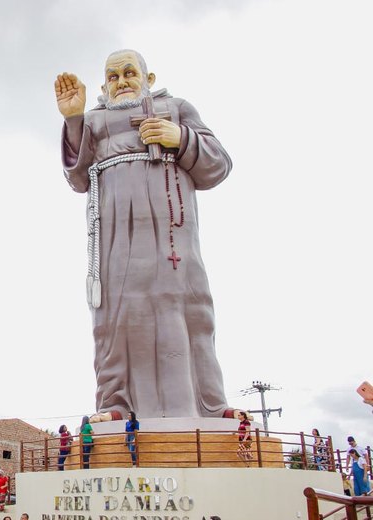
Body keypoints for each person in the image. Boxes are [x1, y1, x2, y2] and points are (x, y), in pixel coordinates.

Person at [55, 49, 232, 420]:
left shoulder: (177, 108)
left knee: (183, 315)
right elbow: (77, 178)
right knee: (115, 319)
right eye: (113, 76)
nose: (121, 82)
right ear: (104, 85)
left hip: (171, 243)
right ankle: (116, 405)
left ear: (148, 79)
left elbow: (218, 165)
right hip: (115, 244)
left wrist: (179, 137)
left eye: (129, 73)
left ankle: (202, 409)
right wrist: (73, 120)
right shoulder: (94, 122)